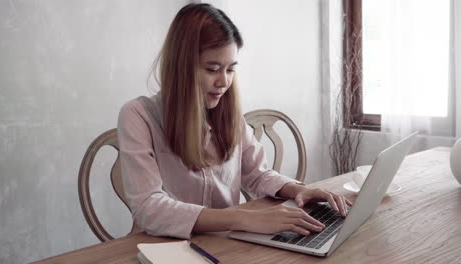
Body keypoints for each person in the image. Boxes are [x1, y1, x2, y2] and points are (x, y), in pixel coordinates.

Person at [117, 3, 352, 239]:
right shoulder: (138, 116)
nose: (223, 82)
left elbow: (257, 174)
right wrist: (246, 219)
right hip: (164, 248)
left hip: (226, 244)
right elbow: (149, 208)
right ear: (181, 67)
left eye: (230, 69)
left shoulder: (228, 114)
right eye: (212, 69)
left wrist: (300, 190)